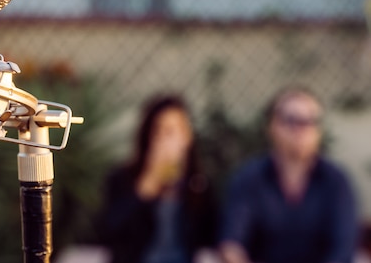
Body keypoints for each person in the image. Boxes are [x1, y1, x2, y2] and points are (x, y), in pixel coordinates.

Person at [219, 85, 359, 263]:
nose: (301, 130)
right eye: (292, 120)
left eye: (310, 121)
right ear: (272, 126)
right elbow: (232, 243)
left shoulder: (336, 182)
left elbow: (342, 249)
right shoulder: (249, 179)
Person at [98, 94, 218, 263]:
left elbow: (211, 236)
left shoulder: (198, 183)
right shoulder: (123, 179)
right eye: (159, 131)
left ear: (187, 136)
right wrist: (146, 187)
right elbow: (109, 232)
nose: (165, 139)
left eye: (172, 131)